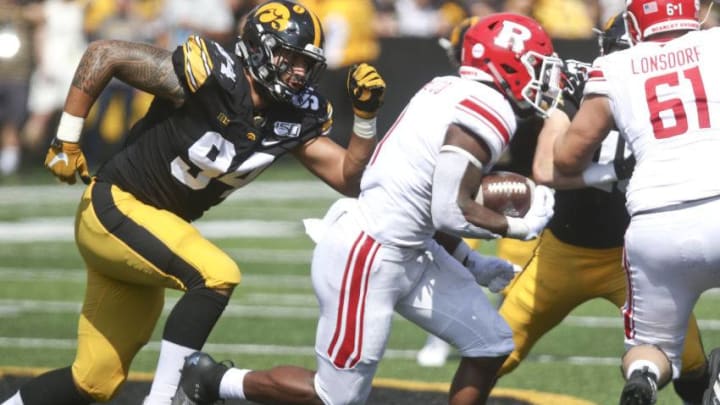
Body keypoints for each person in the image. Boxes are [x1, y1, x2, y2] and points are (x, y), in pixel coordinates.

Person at [0, 1, 386, 404]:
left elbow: (347, 177)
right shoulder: (212, 76)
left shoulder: (291, 115)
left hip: (146, 236)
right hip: (114, 206)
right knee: (216, 273)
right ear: (257, 48)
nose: (299, 72)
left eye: (306, 63)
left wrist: (364, 119)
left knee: (93, 382)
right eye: (289, 57)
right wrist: (67, 137)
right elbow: (106, 53)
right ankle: (165, 398)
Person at [172, 12, 560, 405]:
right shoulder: (488, 109)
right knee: (334, 397)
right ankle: (213, 381)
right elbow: (449, 210)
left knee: (491, 344)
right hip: (369, 254)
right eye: (537, 66)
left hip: (408, 250)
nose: (545, 78)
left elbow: (420, 200)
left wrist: (472, 262)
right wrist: (516, 226)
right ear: (504, 64)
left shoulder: (449, 89)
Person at [497, 13, 710, 405]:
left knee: (692, 365)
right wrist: (615, 169)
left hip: (627, 252)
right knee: (492, 349)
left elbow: (548, 166)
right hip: (579, 250)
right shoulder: (681, 75)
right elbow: (544, 169)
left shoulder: (598, 80)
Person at [553, 0, 720, 403]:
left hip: (654, 219)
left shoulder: (613, 68)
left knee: (653, 346)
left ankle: (643, 378)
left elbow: (567, 158)